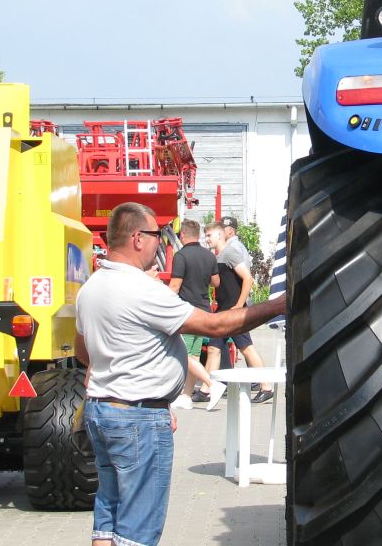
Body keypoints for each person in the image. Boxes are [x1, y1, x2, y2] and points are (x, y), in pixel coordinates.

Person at [75, 202, 287, 546]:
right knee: (137, 528)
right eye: (157, 235)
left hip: (103, 411)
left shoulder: (92, 288)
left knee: (108, 515)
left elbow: (84, 351)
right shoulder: (142, 290)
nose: (161, 244)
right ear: (137, 238)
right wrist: (278, 305)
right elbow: (213, 324)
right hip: (137, 419)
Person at [203, 217, 274, 403]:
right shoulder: (221, 255)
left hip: (232, 313)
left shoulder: (232, 251)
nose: (207, 239)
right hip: (224, 311)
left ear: (221, 234)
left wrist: (238, 306)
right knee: (213, 348)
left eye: (209, 235)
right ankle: (208, 389)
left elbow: (248, 278)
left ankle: (266, 386)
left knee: (247, 349)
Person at [167, 219, 225, 410]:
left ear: (182, 234)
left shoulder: (181, 256)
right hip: (204, 311)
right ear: (198, 234)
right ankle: (186, 396)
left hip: (186, 312)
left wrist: (162, 303)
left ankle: (211, 384)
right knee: (192, 354)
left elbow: (175, 286)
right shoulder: (208, 256)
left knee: (184, 355)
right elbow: (215, 282)